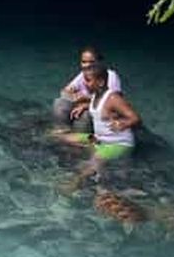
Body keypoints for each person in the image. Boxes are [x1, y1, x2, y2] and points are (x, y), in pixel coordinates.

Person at [60, 62, 141, 190]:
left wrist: (123, 123)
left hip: (118, 143)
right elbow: (100, 109)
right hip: (98, 139)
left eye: (88, 80)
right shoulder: (95, 96)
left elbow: (136, 118)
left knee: (96, 160)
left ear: (101, 82)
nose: (85, 83)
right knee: (66, 138)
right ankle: (88, 157)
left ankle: (74, 184)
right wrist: (84, 106)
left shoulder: (113, 98)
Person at [53, 46, 122, 132]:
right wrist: (71, 94)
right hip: (84, 104)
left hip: (100, 109)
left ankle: (81, 140)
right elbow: (66, 90)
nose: (87, 65)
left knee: (84, 117)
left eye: (91, 62)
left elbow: (113, 102)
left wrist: (86, 102)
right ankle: (62, 130)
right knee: (60, 103)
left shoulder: (110, 76)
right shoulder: (83, 74)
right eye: (84, 62)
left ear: (99, 62)